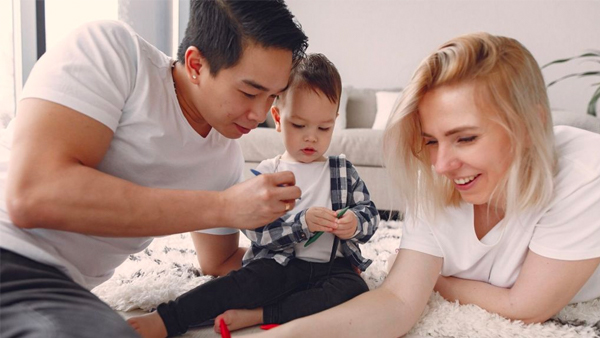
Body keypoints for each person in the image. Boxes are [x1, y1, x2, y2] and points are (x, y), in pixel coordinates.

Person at [243, 32, 600, 338]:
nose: (441, 164)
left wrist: (439, 281)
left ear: (529, 125)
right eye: (431, 140)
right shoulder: (432, 173)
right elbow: (397, 302)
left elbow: (525, 306)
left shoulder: (585, 172)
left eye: (465, 138)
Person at [0, 1, 308, 337]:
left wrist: (305, 259)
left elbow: (219, 261)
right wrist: (225, 207)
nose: (259, 113)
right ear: (195, 64)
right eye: (250, 92)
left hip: (56, 288)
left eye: (273, 97)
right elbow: (33, 195)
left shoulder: (223, 159)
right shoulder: (114, 52)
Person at [126, 53, 380, 337]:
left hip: (332, 268)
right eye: (299, 125)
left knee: (356, 289)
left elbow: (369, 212)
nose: (312, 137)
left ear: (335, 121)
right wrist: (303, 224)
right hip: (279, 267)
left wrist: (355, 224)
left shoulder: (342, 171)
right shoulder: (267, 174)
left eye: (324, 128)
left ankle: (261, 315)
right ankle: (167, 319)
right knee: (238, 285)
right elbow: (257, 233)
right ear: (278, 118)